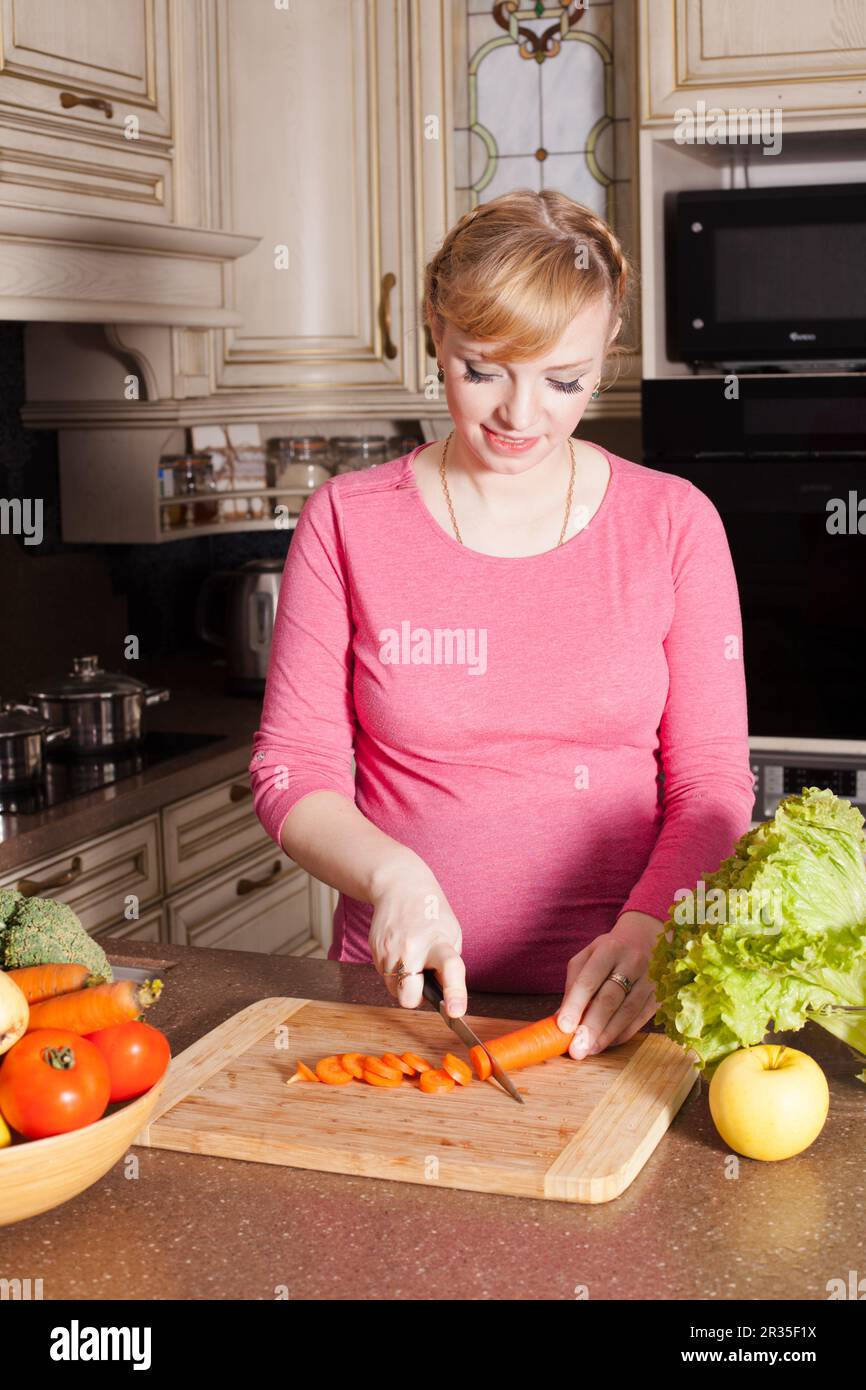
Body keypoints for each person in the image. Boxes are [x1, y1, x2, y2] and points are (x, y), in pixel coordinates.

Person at [250, 188, 755, 1062]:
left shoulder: (675, 523)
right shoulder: (346, 520)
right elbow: (291, 769)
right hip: (399, 1012)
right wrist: (392, 872)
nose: (521, 416)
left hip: (620, 1012)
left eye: (563, 381)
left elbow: (712, 785)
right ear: (434, 337)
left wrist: (647, 933)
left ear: (604, 361)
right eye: (482, 369)